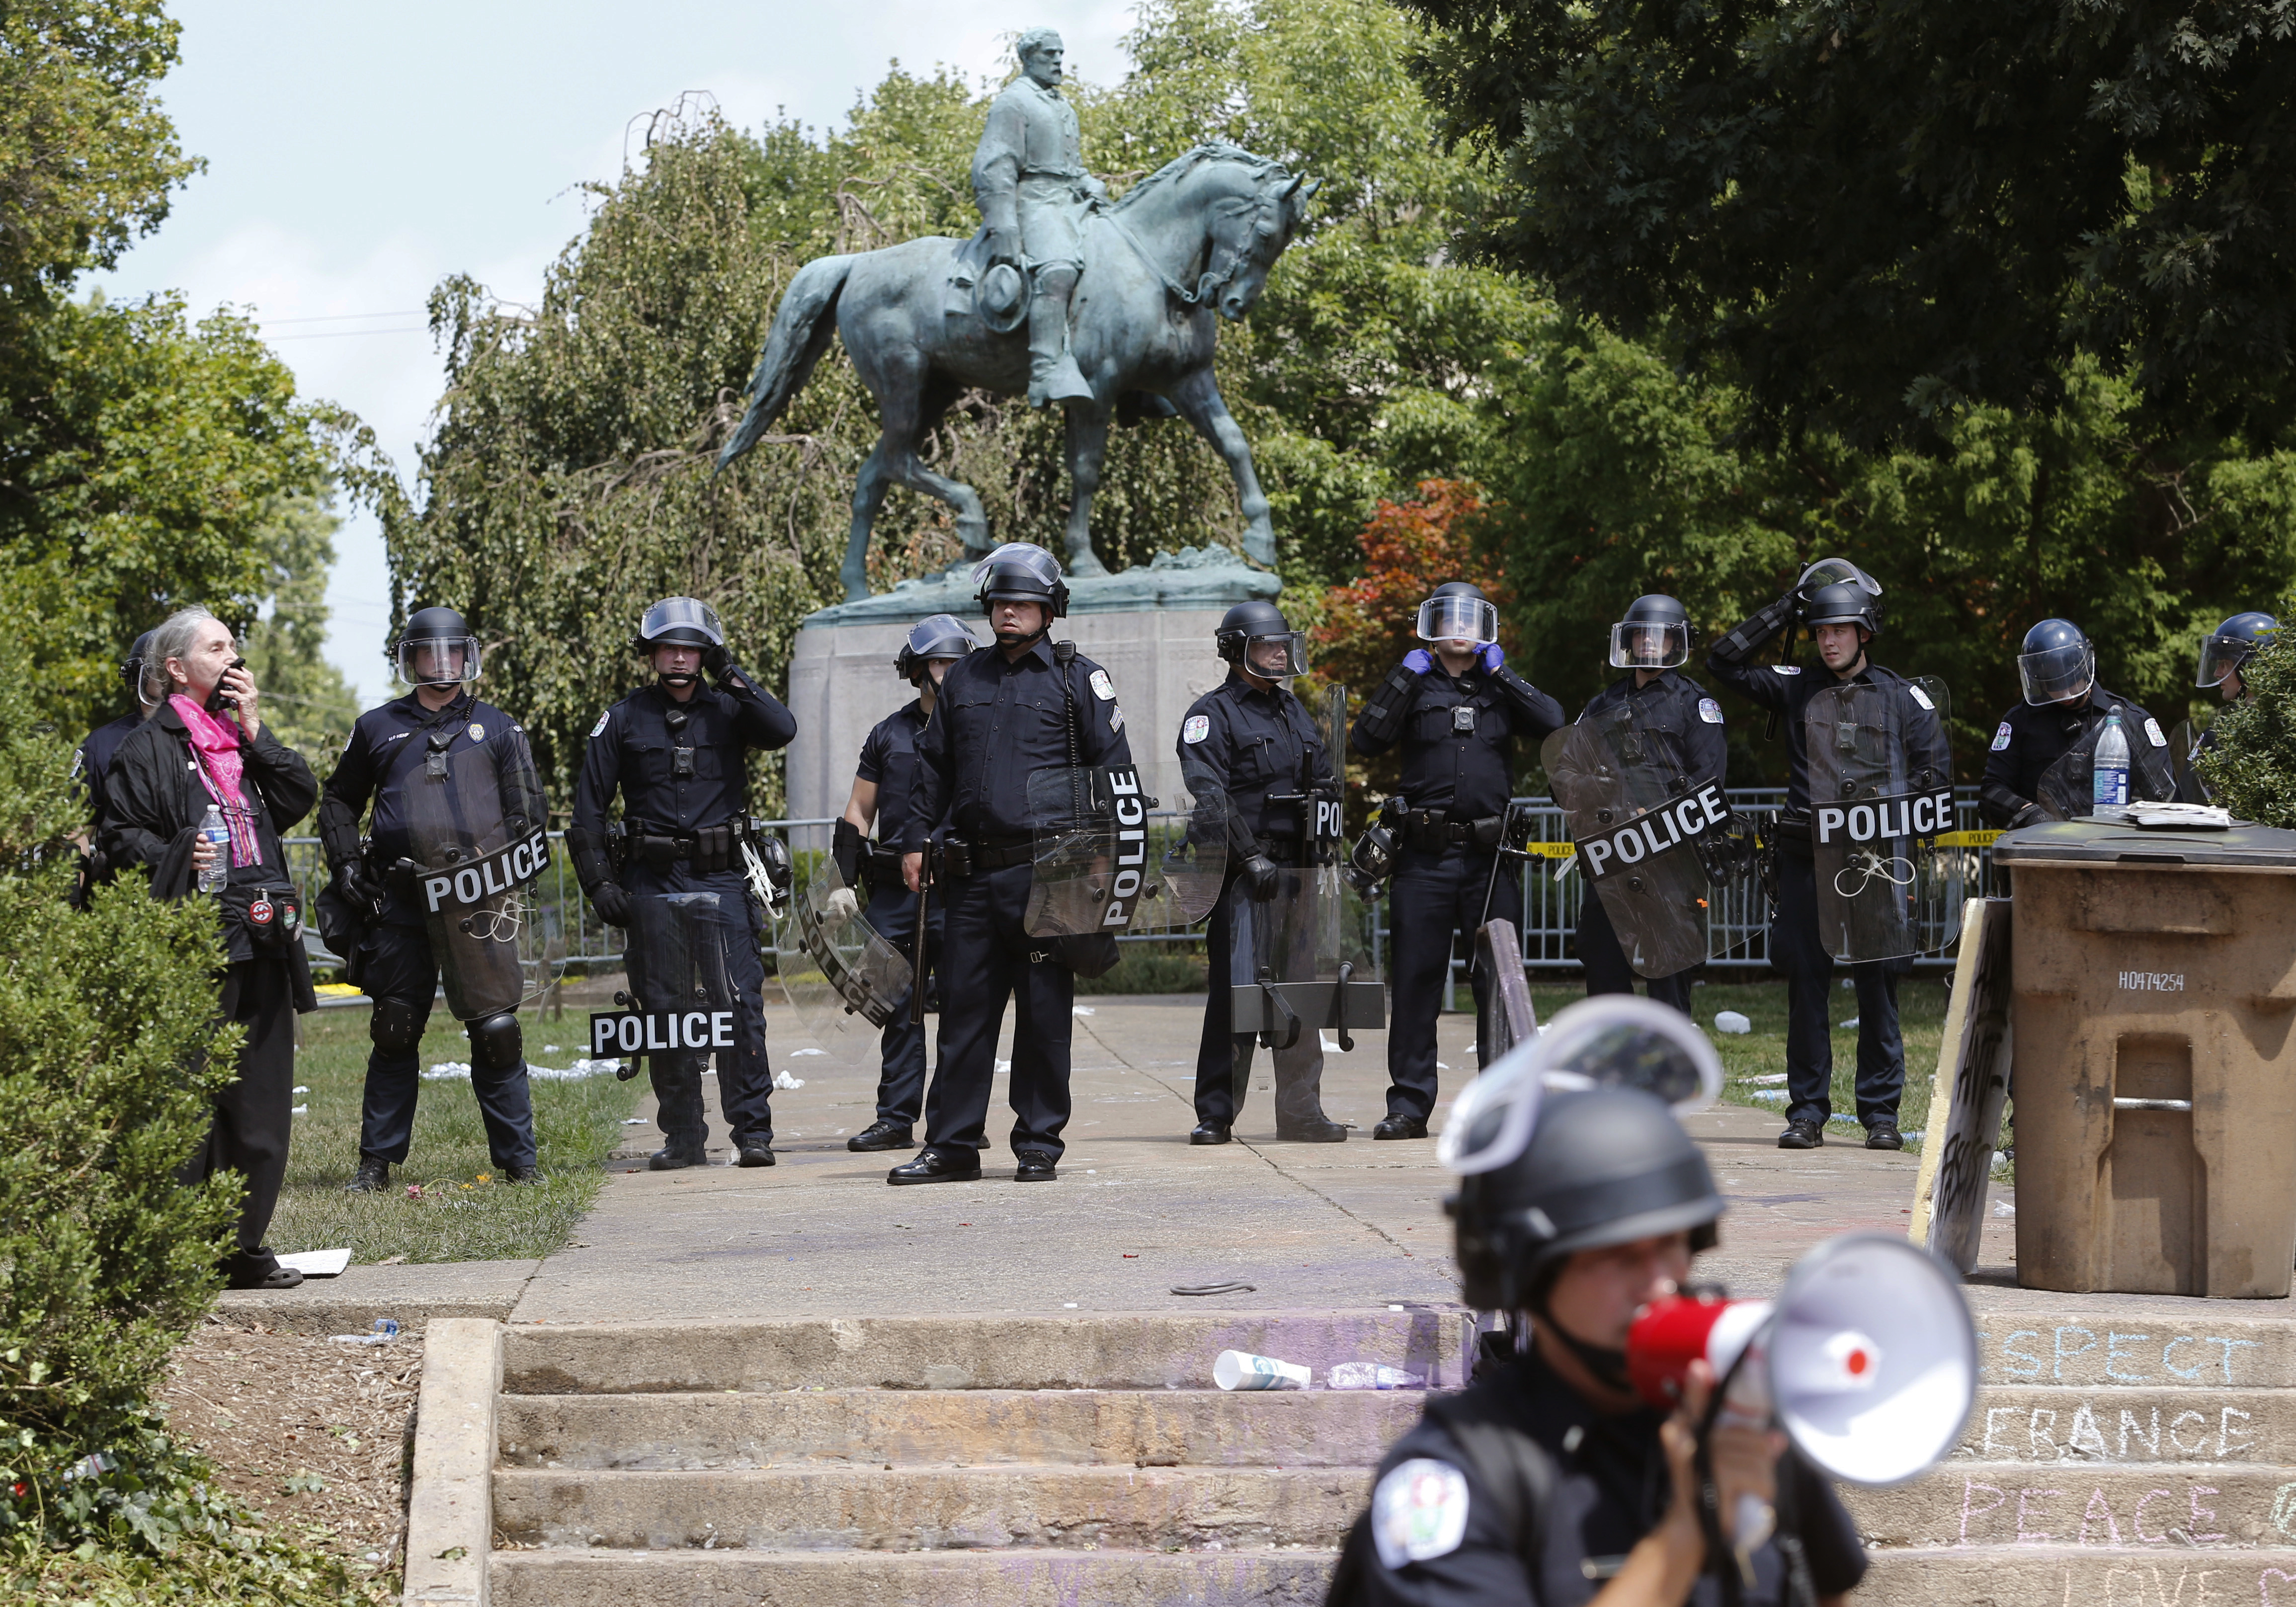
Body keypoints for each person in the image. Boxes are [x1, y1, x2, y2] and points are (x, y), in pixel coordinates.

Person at [1332, 1079, 1865, 1606]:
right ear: (1530, 1276)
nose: (1660, 1283)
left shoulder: (1743, 1412)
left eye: (1673, 1244)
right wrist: (1687, 1532)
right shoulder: (1455, 1477)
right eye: (1619, 1257)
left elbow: (1826, 1589)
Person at [893, 543, 1130, 1185]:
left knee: (1044, 1015)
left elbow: (1116, 776)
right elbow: (932, 767)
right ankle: (952, 1146)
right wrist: (916, 840)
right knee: (965, 1015)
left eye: (1023, 602)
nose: (1008, 613)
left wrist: (1106, 868)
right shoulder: (964, 678)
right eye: (1000, 602)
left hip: (1050, 877)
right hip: (971, 877)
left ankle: (1038, 1141)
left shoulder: (1079, 678)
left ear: (1050, 609)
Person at [98, 606, 319, 1291]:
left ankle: (242, 1243)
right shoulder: (149, 745)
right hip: (200, 938)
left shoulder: (238, 738)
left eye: (233, 646)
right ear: (176, 667)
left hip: (264, 932)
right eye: (216, 646)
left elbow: (297, 794)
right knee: (193, 1093)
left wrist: (255, 726)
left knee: (261, 1094)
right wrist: (175, 852)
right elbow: (119, 838)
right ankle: (179, 1248)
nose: (232, 656)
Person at [1706, 566, 1945, 1151]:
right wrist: (1786, 608)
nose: (1828, 640)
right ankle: (1808, 1112)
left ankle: (1881, 1115)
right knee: (1807, 987)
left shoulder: (1901, 696)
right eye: (1819, 631)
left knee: (1877, 985)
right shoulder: (1796, 686)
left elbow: (1932, 776)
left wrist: (1886, 815)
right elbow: (1723, 662)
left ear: (1865, 633)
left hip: (1873, 862)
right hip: (1804, 861)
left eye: (1840, 629)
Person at [317, 608, 544, 1194]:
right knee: (396, 1026)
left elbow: (529, 813)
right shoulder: (375, 727)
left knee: (496, 1029)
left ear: (469, 657)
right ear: (409, 660)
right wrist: (345, 866)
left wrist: (504, 865)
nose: (440, 666)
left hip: (478, 901)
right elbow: (338, 801)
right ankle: (375, 1166)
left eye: (450, 654)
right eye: (427, 654)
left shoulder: (498, 728)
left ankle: (520, 1162)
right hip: (399, 899)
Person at [571, 598, 797, 1169]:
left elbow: (782, 728)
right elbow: (587, 815)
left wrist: (729, 669)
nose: (677, 657)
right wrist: (599, 885)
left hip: (720, 876)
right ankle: (682, 1136)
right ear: (650, 655)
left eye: (690, 648)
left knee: (739, 1002)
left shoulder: (730, 707)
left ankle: (753, 1133)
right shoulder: (621, 719)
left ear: (703, 653)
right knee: (665, 1009)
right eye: (667, 647)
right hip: (650, 881)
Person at [1349, 580, 1564, 1140]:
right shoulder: (1415, 685)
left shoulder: (1497, 689)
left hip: (1490, 861)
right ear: (1433, 625)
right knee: (1417, 982)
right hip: (1423, 859)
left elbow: (1555, 722)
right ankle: (1409, 1107)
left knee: (1497, 985)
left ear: (1485, 629)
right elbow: (1366, 739)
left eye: (1471, 620)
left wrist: (1503, 674)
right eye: (1452, 618)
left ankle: (1501, 1107)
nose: (1461, 629)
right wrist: (1405, 674)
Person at [1179, 599, 1346, 1145]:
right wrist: (1249, 856)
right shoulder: (1213, 714)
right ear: (1237, 650)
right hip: (1243, 874)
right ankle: (1216, 1113)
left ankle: (1301, 1113)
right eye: (1268, 644)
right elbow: (1210, 794)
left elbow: (1323, 780)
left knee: (1300, 992)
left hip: (1297, 870)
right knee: (1236, 993)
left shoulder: (1294, 711)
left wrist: (1326, 841)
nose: (1280, 653)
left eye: (1283, 644)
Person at [837, 614, 977, 1153]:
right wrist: (841, 881)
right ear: (919, 670)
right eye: (941, 663)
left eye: (959, 663)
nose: (950, 673)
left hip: (960, 887)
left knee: (966, 1012)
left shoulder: (978, 732)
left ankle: (956, 1123)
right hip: (896, 892)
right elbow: (858, 810)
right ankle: (895, 1119)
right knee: (896, 1008)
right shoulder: (888, 734)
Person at [1573, 595, 1726, 1014]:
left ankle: (1669, 1072)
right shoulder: (1602, 705)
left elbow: (1709, 783)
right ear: (1628, 640)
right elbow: (1566, 774)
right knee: (1602, 966)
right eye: (1641, 633)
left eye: (1658, 635)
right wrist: (1598, 796)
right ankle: (1614, 1065)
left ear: (1677, 642)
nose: (1648, 643)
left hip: (1671, 860)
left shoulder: (1696, 704)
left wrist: (1656, 817)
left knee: (1670, 972)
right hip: (1613, 857)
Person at [972, 26, 1107, 407]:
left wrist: (1089, 182)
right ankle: (1045, 370)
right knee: (1059, 269)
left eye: (1060, 54)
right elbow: (994, 167)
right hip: (1034, 203)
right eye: (1049, 54)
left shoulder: (1062, 106)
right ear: (1029, 59)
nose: (1058, 61)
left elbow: (1070, 166)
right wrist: (1004, 227)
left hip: (1069, 202)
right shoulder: (1013, 103)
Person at [1978, 618, 2169, 827]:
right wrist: (2029, 813)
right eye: (2053, 683)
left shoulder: (2130, 720)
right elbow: (1992, 794)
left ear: (2085, 666)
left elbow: (2166, 798)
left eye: (2070, 680)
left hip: (2109, 844)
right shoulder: (2020, 721)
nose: (2063, 692)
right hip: (2040, 848)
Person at [71, 630, 161, 900]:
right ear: (139, 677)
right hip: (125, 898)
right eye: (160, 669)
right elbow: (75, 832)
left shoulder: (216, 739)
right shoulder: (103, 745)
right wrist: (69, 906)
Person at [2180, 611, 2279, 801]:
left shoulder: (2283, 732)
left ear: (2250, 668)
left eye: (2225, 664)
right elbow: (2185, 800)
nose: (2217, 674)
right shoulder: (2220, 731)